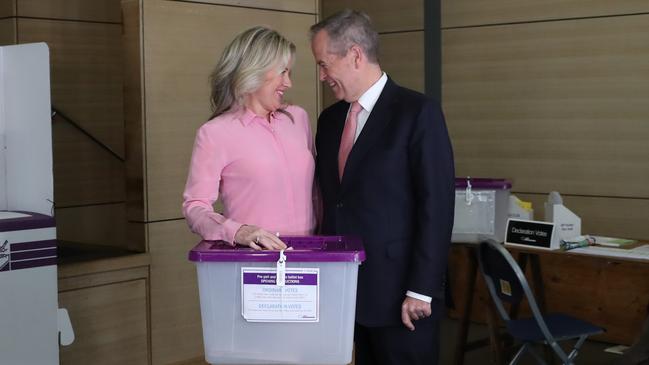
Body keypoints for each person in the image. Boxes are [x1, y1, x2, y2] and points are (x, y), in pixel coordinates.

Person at [310, 9, 455, 365]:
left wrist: (421, 289)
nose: (321, 75)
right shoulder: (329, 121)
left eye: (324, 64)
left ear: (355, 55)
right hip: (346, 292)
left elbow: (436, 207)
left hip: (403, 296)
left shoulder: (418, 112)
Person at [183, 26, 315, 250]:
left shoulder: (298, 118)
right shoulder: (215, 133)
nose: (288, 83)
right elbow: (195, 207)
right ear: (255, 70)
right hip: (253, 264)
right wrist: (238, 231)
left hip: (309, 257)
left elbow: (316, 194)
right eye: (283, 72)